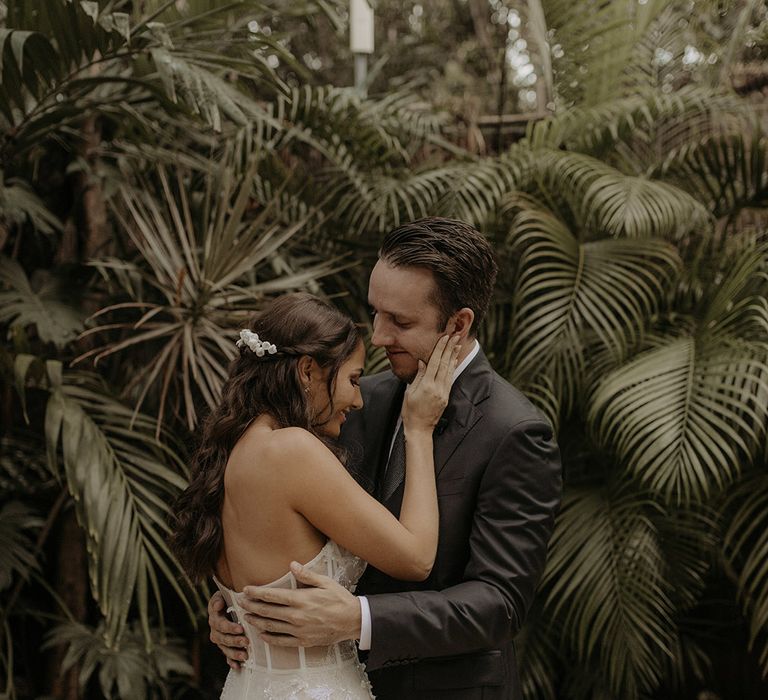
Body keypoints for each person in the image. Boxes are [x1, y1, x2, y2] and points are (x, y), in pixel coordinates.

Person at [208, 218, 562, 700]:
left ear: (457, 325)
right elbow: (274, 516)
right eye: (375, 313)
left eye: (400, 321)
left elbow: (499, 604)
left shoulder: (514, 432)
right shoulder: (351, 402)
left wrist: (360, 619)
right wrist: (243, 604)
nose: (376, 336)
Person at [170, 292, 460, 699]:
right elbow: (416, 558)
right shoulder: (290, 450)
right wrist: (419, 429)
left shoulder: (229, 453)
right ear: (308, 371)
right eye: (353, 380)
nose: (358, 400)